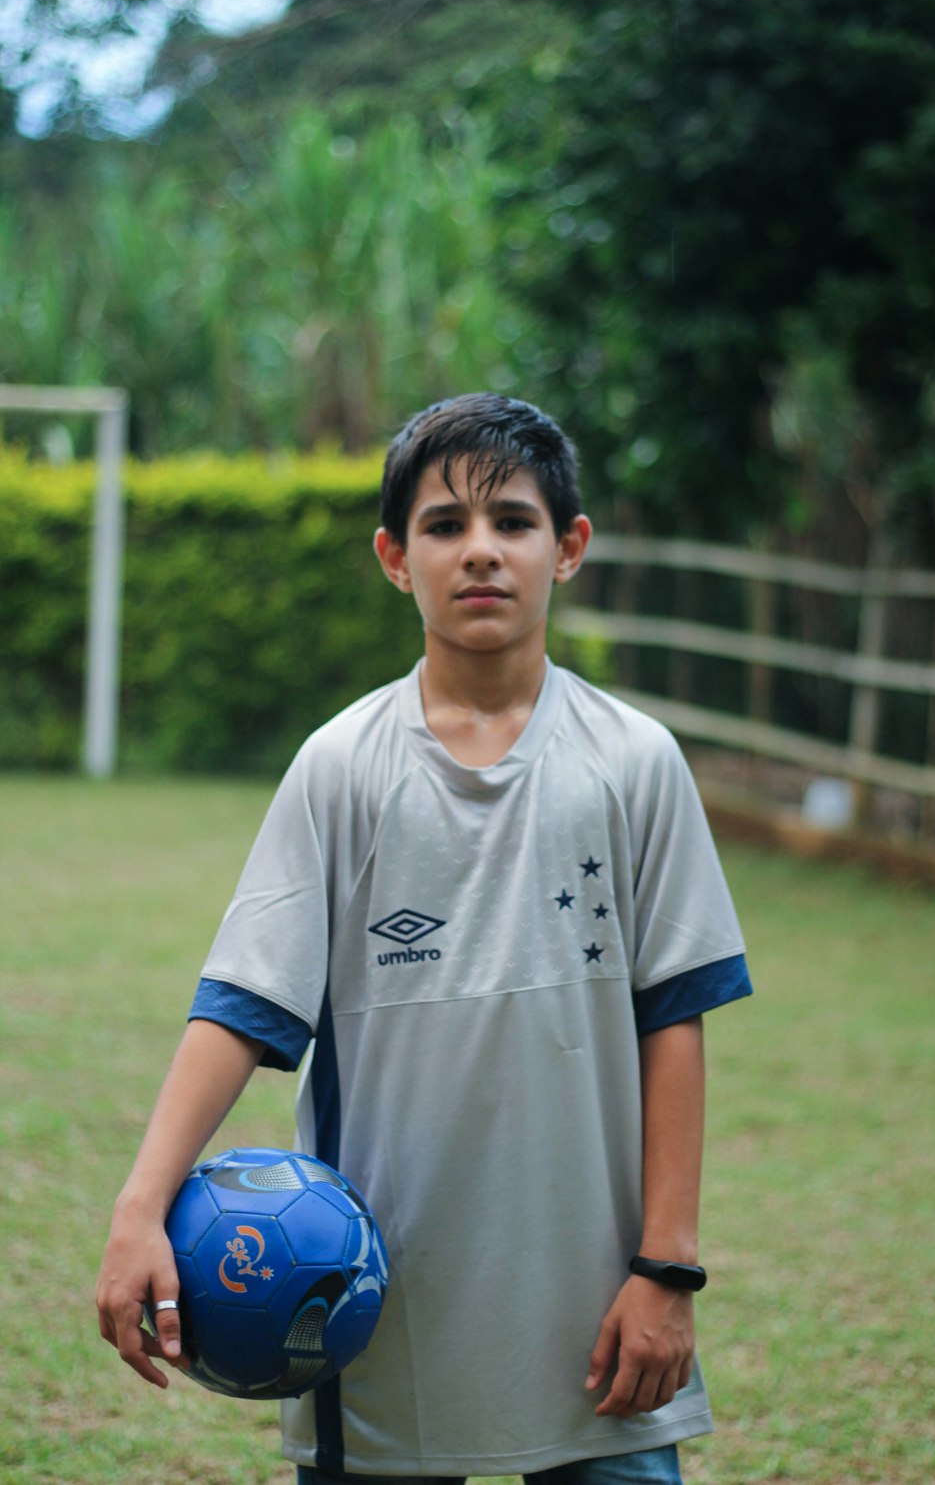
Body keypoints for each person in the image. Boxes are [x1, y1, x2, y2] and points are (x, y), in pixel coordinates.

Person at [96, 393, 752, 1485]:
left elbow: (671, 1023)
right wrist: (136, 1208)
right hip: (377, 1319)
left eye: (513, 520)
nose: (481, 550)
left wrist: (666, 1270)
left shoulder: (634, 763)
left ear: (569, 547)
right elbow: (243, 1009)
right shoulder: (342, 768)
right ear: (395, 558)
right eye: (445, 525)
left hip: (601, 1309)